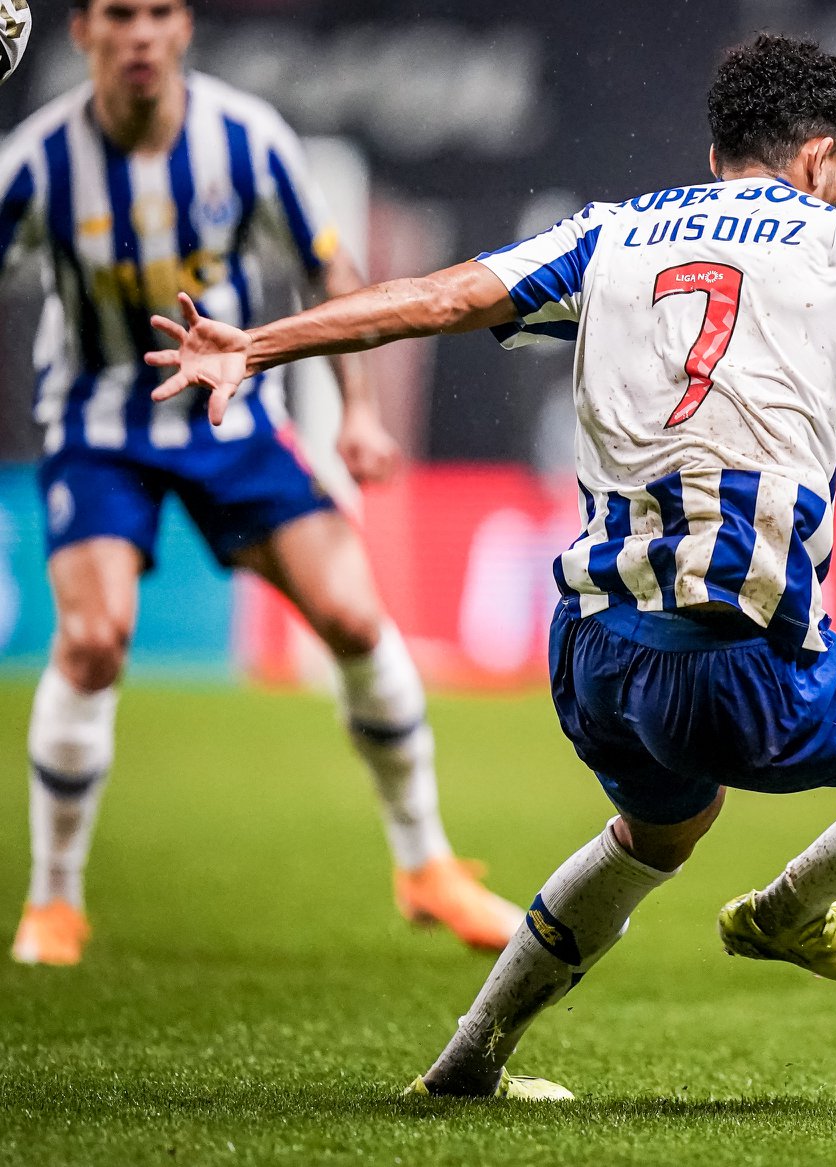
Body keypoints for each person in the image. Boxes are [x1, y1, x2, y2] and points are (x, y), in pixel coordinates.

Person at [150, 33, 836, 1100]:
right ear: (819, 157)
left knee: (659, 835)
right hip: (732, 669)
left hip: (590, 658)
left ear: (712, 151)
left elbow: (441, 298)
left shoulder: (607, 232)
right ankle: (790, 909)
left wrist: (255, 343)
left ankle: (468, 1061)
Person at [0, 0, 522, 965]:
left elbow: (331, 274)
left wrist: (358, 410)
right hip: (98, 428)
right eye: (121, 14)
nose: (142, 35)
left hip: (233, 419)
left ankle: (426, 865)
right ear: (84, 33)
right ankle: (55, 897)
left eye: (159, 13)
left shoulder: (247, 141)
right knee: (92, 639)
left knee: (357, 621)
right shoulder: (34, 163)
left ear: (185, 25)